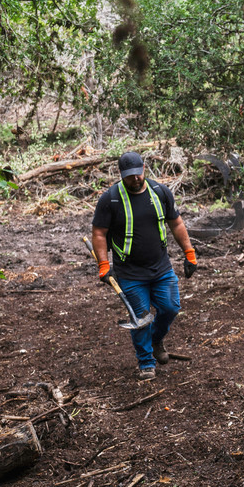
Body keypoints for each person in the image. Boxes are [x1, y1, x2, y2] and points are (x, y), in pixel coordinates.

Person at [91, 151, 197, 380]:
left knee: (170, 308)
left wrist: (189, 252)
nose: (135, 179)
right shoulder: (110, 199)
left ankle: (156, 339)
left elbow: (176, 223)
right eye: (129, 176)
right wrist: (103, 264)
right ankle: (146, 362)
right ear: (121, 175)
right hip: (129, 272)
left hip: (161, 267)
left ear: (144, 168)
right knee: (139, 317)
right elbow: (99, 233)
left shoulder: (160, 192)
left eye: (138, 174)